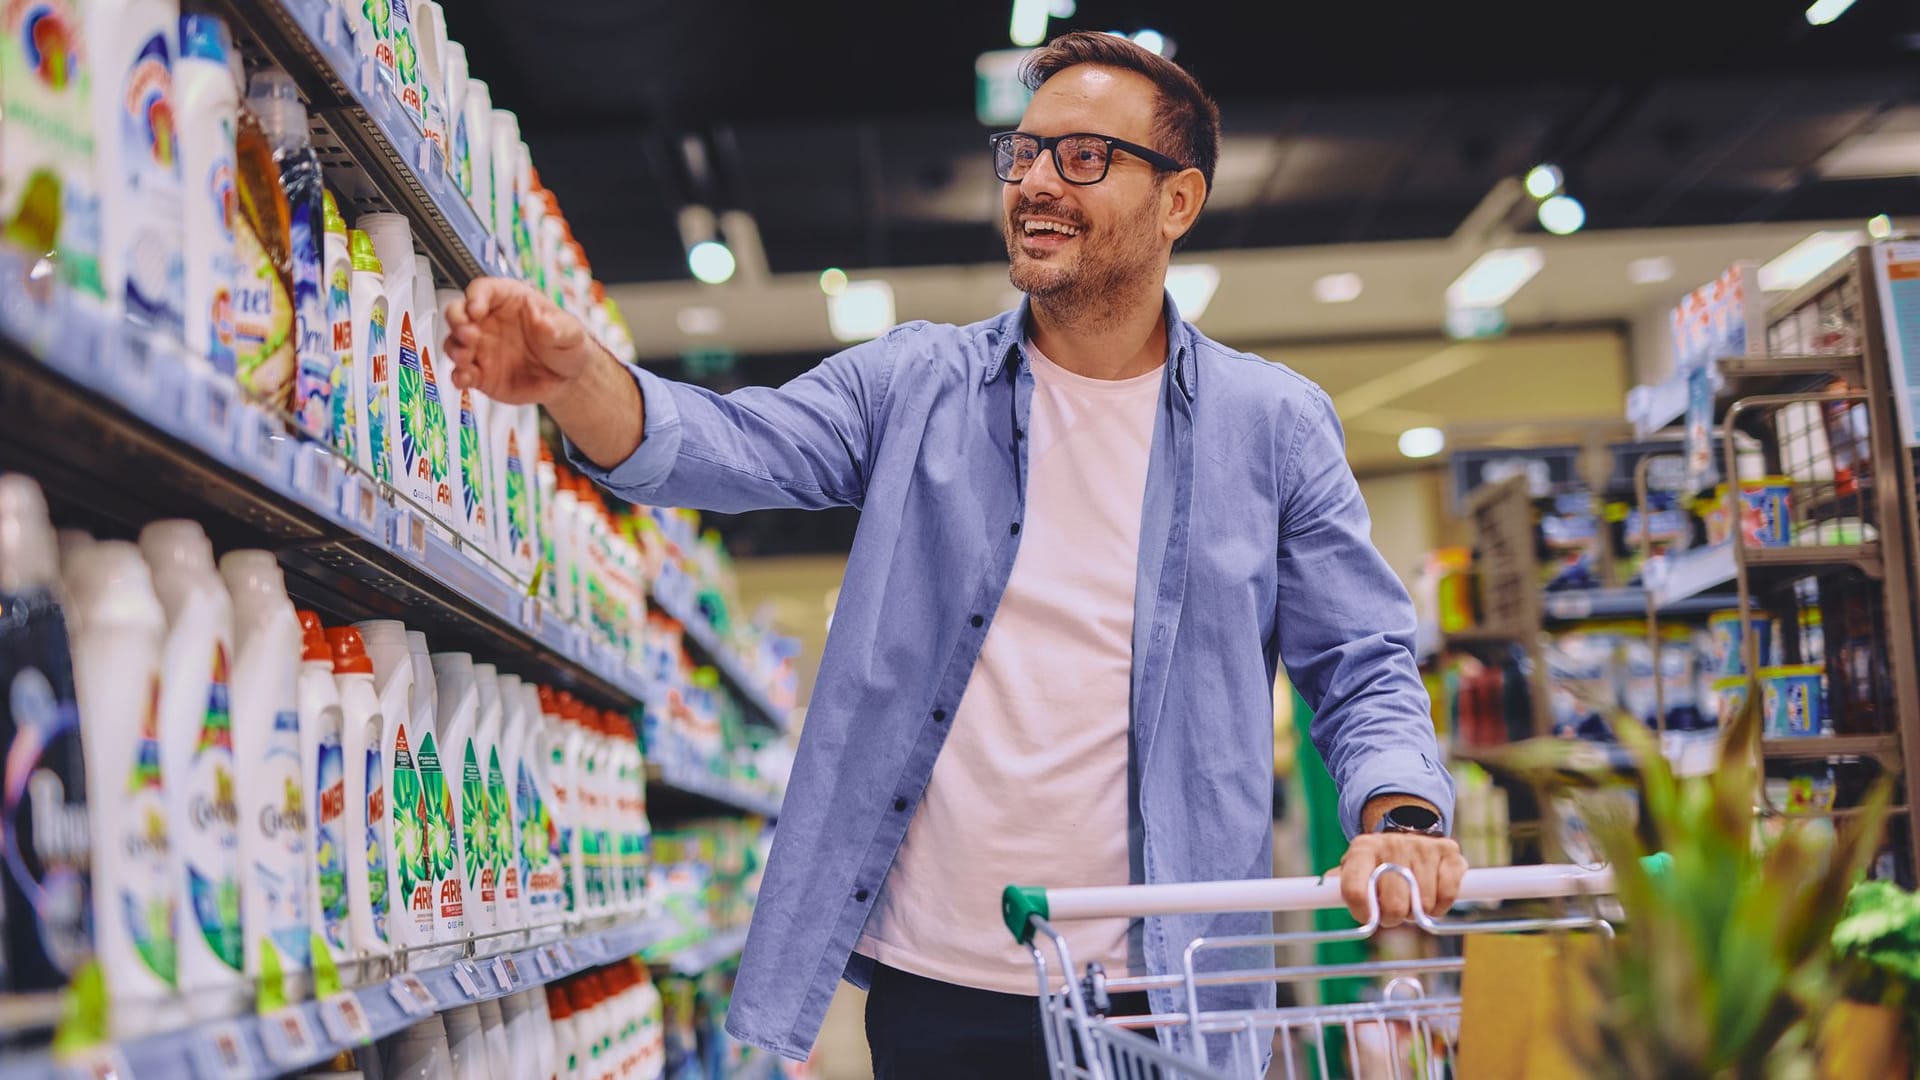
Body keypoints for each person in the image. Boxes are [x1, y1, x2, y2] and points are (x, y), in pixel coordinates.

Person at [443, 30, 1464, 1078]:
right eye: (1023, 154)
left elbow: (1362, 664)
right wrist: (575, 378)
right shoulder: (914, 385)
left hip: (1168, 987)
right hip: (940, 986)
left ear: (1178, 202)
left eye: (1082, 157)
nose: (1034, 184)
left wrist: (1401, 814)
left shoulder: (1274, 425)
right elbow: (725, 445)